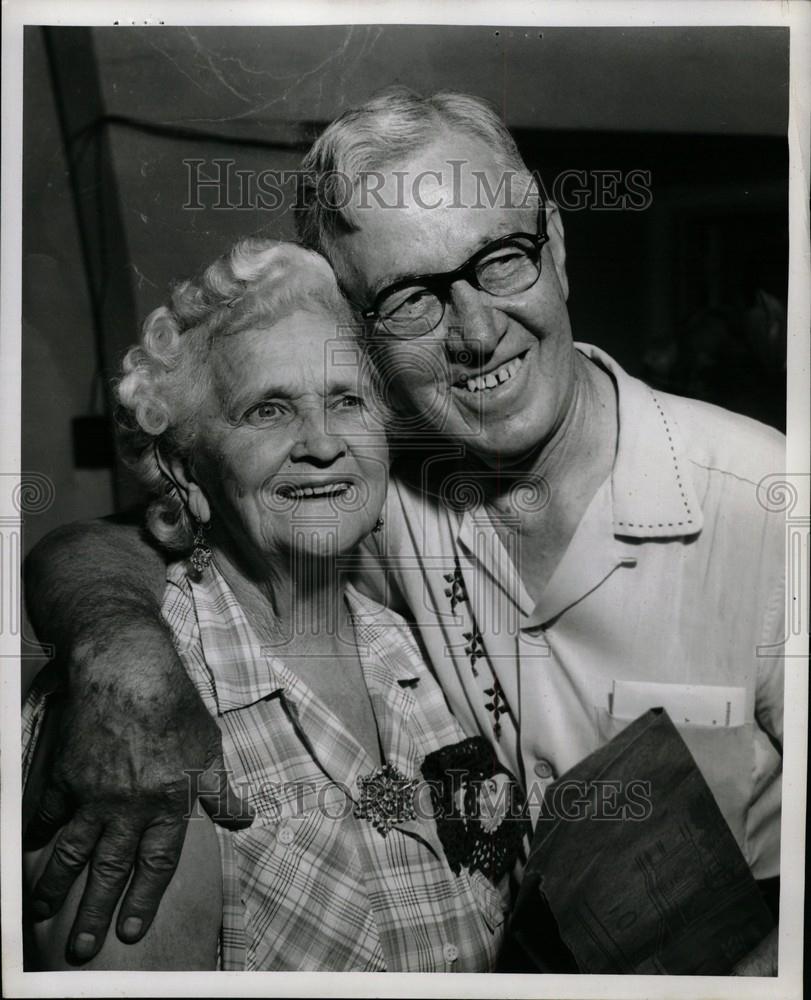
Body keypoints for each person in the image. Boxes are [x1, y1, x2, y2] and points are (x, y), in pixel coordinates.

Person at [24, 89, 785, 973]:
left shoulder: (767, 501)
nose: (475, 331)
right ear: (368, 332)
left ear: (557, 247)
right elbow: (118, 541)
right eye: (411, 299)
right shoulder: (367, 490)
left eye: (500, 260)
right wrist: (119, 649)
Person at [22, 238, 523, 970]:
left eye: (346, 401)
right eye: (268, 410)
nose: (321, 443)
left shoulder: (418, 647)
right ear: (184, 469)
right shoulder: (135, 718)